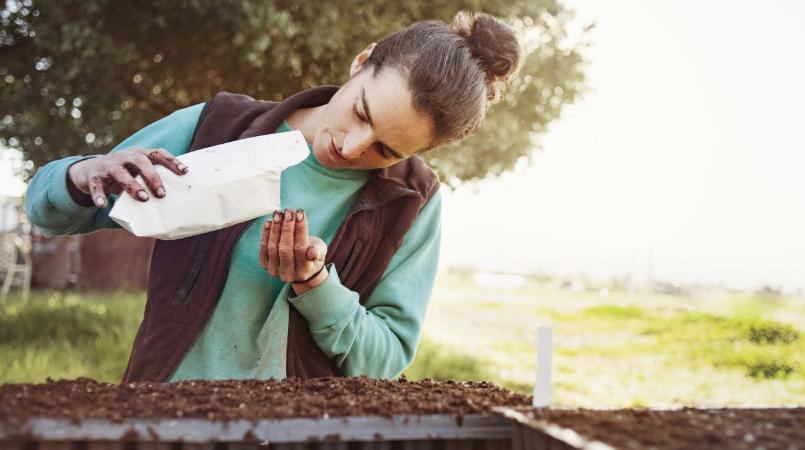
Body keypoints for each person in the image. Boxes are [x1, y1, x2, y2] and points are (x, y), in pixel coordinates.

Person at [24, 11, 522, 382]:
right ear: (362, 61)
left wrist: (315, 283)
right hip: (162, 417)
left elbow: (387, 358)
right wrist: (86, 173)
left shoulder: (414, 202)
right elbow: (47, 213)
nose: (351, 147)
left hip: (300, 433)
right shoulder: (220, 126)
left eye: (385, 149)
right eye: (363, 113)